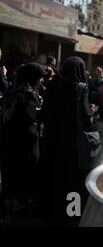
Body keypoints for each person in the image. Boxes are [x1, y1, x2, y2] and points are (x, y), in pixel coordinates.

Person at [38, 56, 94, 226]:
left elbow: (44, 113)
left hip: (51, 141)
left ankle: (52, 215)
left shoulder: (52, 85)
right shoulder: (81, 88)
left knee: (55, 179)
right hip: (72, 145)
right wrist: (92, 113)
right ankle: (72, 216)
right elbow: (85, 118)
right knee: (73, 183)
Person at [0, 63, 46, 207]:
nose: (42, 80)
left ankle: (10, 200)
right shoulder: (28, 95)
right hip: (25, 142)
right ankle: (19, 204)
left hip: (8, 138)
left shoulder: (12, 90)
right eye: (40, 78)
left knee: (11, 170)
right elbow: (33, 116)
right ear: (32, 78)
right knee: (23, 172)